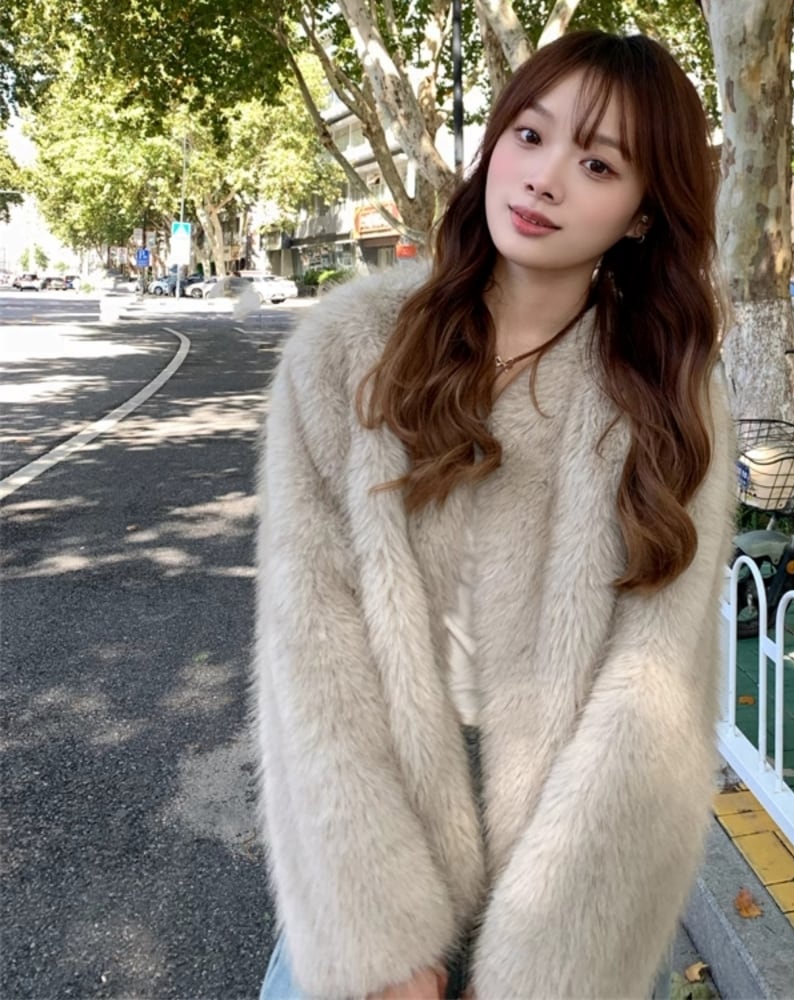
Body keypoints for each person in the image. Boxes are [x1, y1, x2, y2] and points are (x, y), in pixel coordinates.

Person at [255, 29, 734, 1000]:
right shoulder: (349, 350)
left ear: (643, 213)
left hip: (572, 851)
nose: (545, 178)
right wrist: (380, 939)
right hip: (378, 825)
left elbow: (654, 687)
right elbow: (309, 646)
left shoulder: (668, 398)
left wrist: (549, 964)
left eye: (598, 164)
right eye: (529, 134)